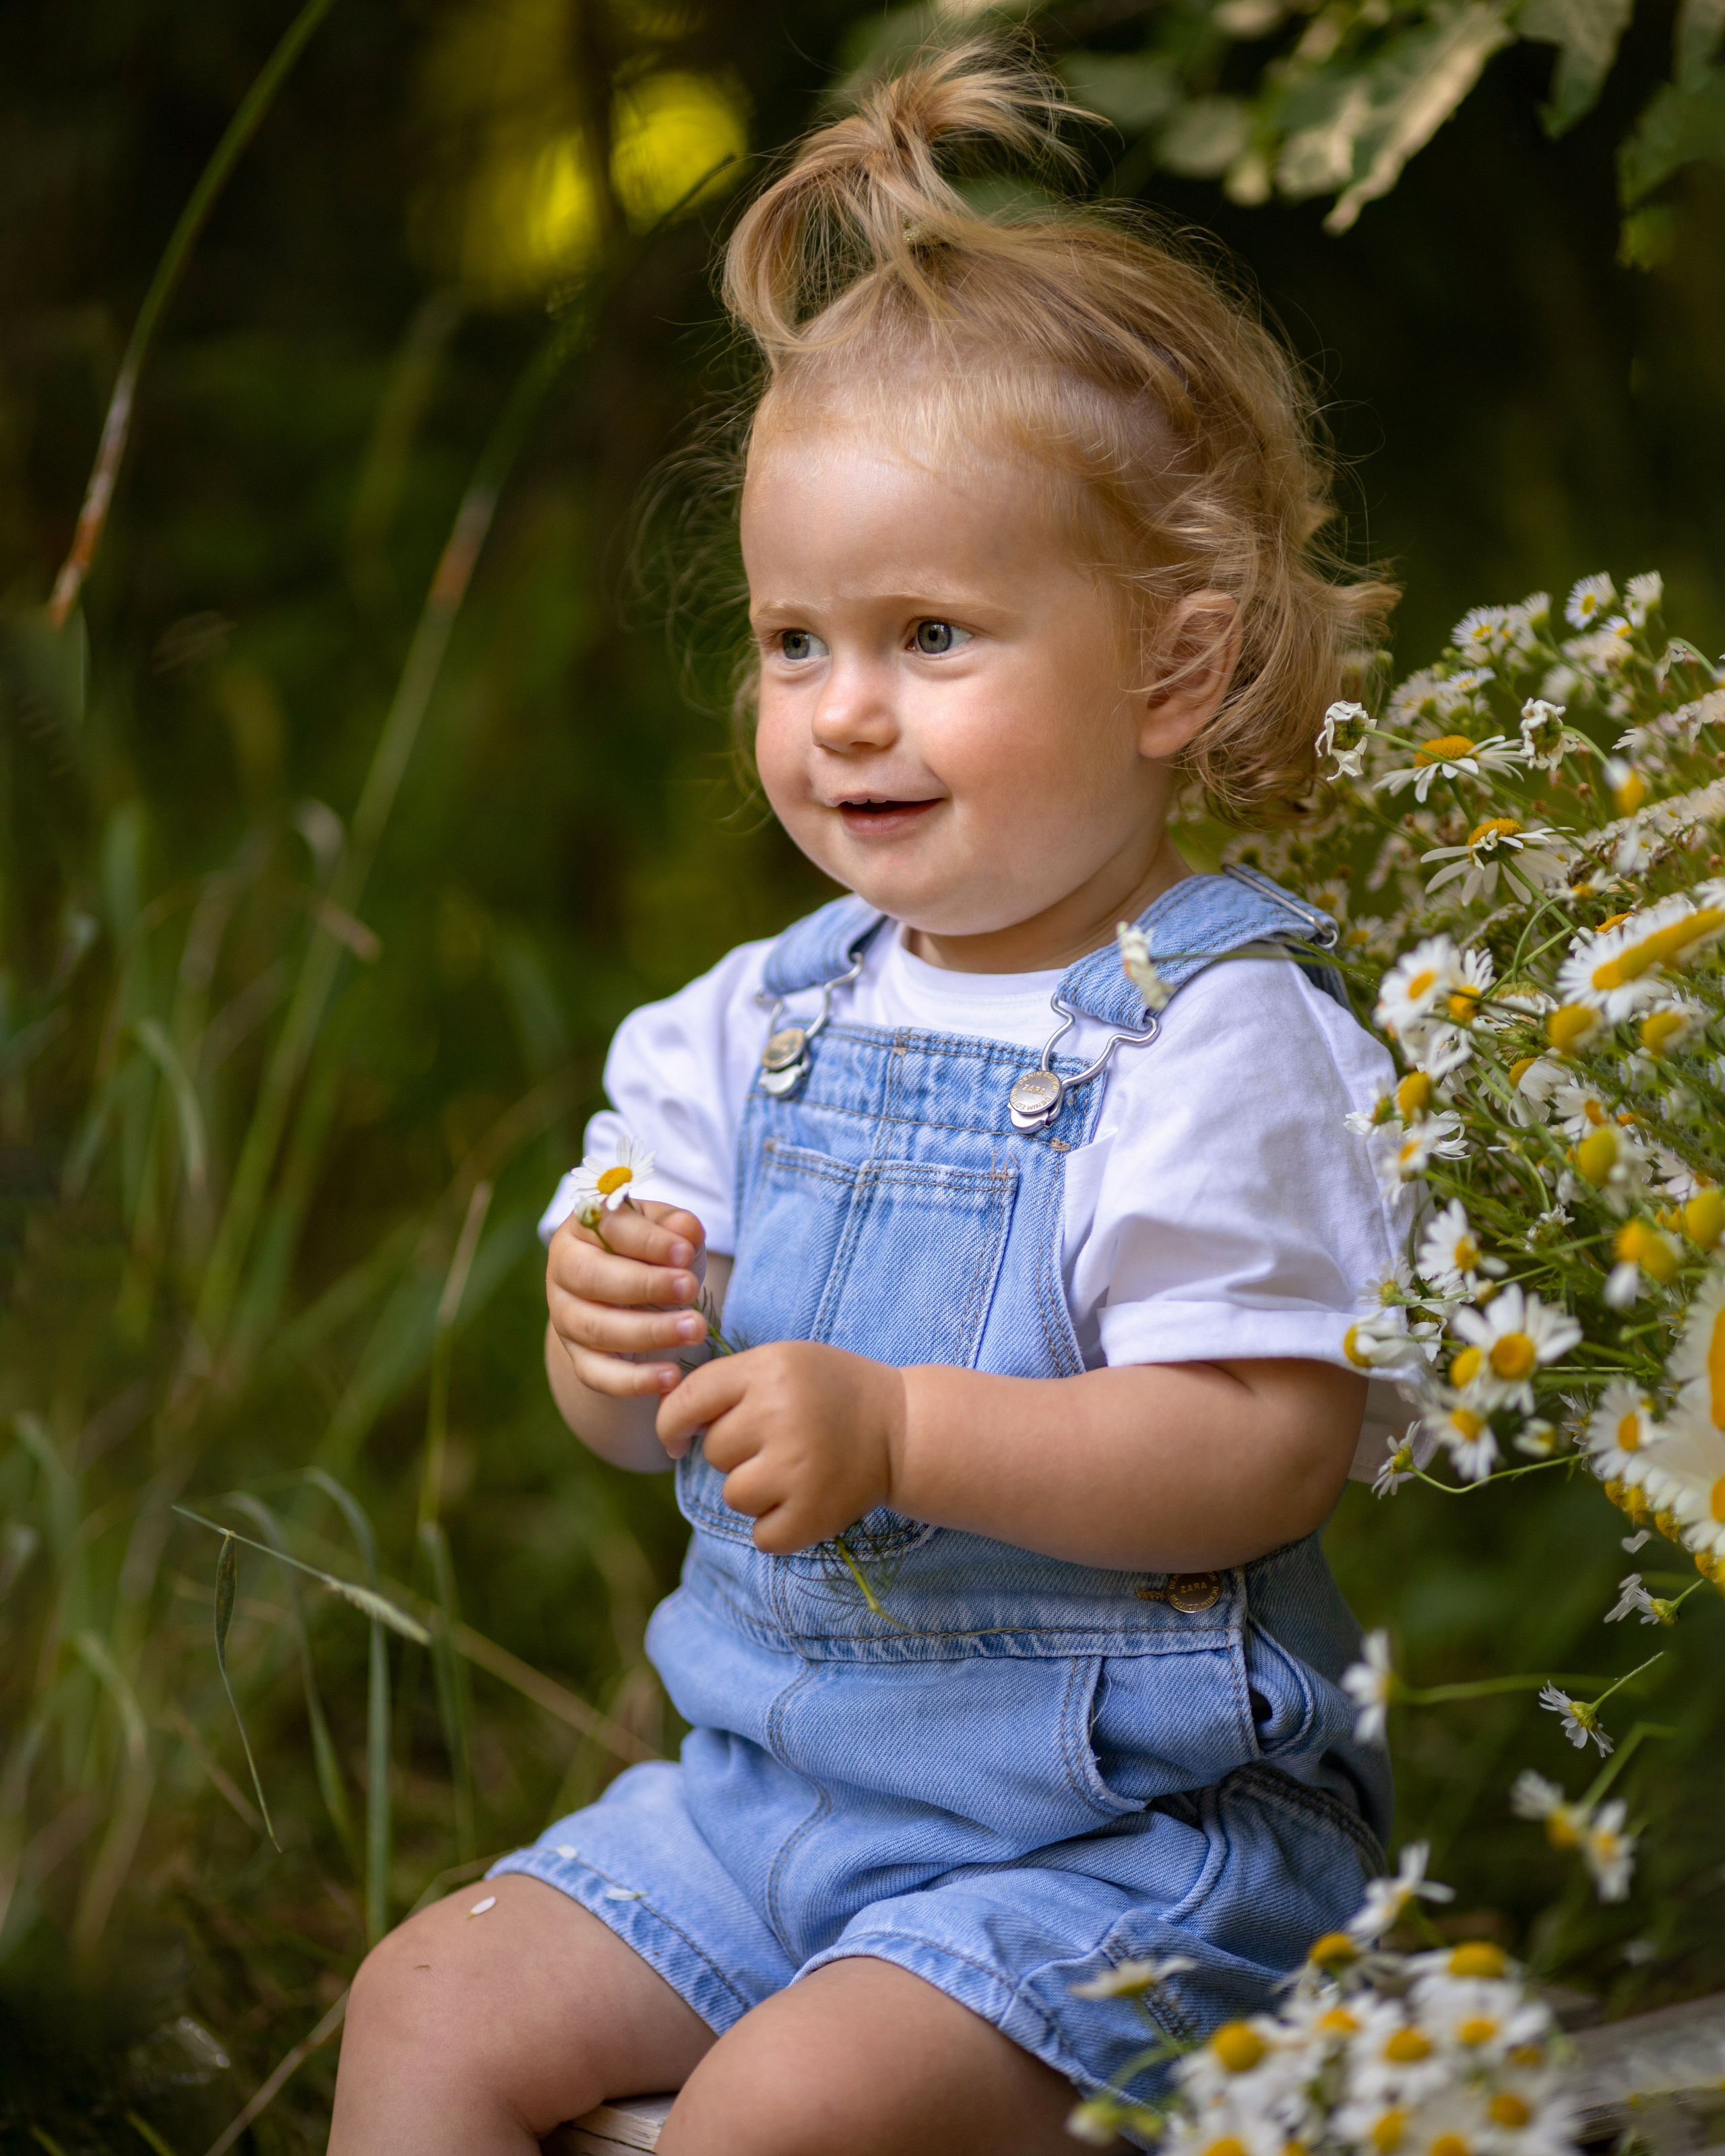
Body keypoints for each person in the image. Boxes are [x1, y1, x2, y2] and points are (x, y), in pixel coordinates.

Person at [328, 42, 1410, 2156]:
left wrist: (905, 1431)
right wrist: (607, 1339)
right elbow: (637, 1418)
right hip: (769, 1805)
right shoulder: (748, 1025)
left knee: (781, 2113)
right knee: (426, 2004)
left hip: (1117, 1850)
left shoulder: (1218, 1040)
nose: (844, 714)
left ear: (1174, 673)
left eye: (929, 634)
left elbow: (1261, 1448)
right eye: (795, 642)